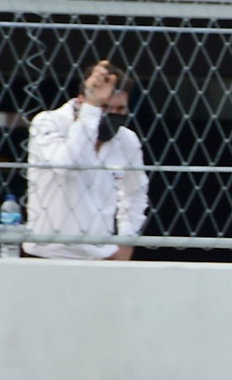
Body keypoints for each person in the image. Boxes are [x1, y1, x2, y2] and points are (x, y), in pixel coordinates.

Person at [23, 60, 147, 260]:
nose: (113, 115)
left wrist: (126, 240)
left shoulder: (126, 140)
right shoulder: (48, 123)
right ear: (82, 100)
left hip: (100, 256)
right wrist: (91, 108)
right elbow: (66, 166)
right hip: (47, 253)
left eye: (120, 109)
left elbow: (136, 193)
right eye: (105, 107)